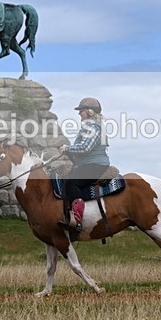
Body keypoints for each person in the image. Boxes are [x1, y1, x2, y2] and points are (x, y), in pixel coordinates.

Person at [59, 97, 110, 232]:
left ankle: (77, 219)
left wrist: (67, 148)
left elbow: (85, 148)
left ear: (89, 112)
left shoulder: (93, 127)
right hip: (91, 163)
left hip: (95, 164)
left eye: (81, 110)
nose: (79, 113)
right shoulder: (93, 125)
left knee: (71, 183)